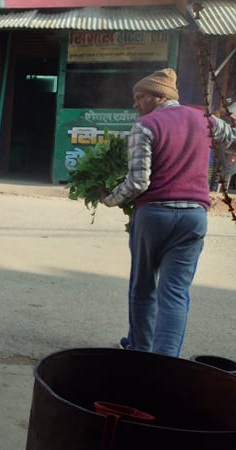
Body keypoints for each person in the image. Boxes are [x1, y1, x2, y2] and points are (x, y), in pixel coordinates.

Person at [102, 68, 236, 357]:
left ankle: (140, 349)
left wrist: (110, 199)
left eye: (140, 97)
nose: (135, 103)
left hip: (154, 216)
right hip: (193, 218)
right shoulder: (205, 119)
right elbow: (233, 141)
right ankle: (166, 363)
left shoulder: (146, 126)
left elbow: (139, 181)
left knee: (143, 287)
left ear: (159, 97)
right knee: (175, 293)